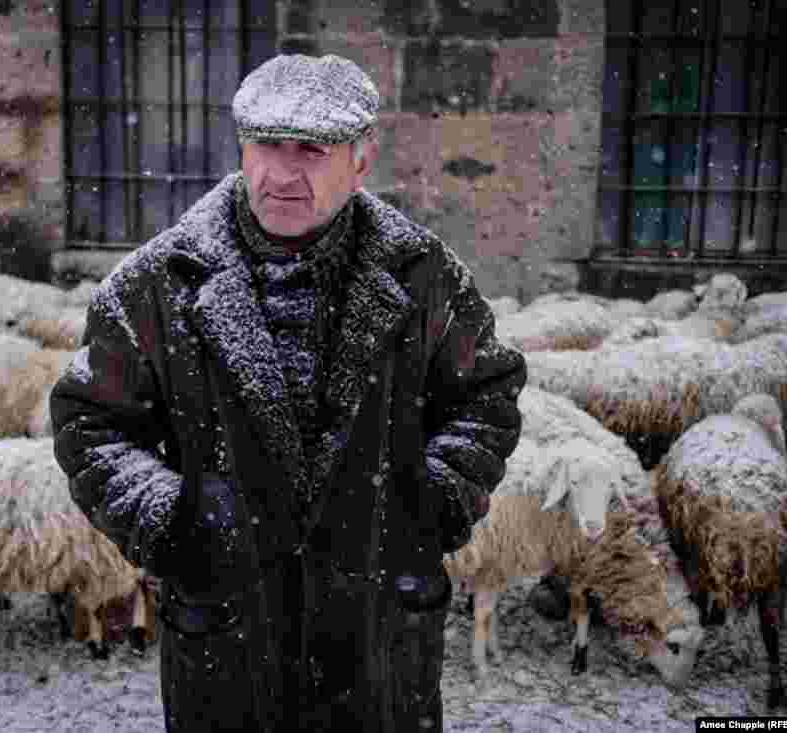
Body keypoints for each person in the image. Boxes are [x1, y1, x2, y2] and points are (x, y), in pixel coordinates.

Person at [50, 53, 526, 733]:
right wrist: (170, 516)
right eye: (265, 145)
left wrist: (435, 500)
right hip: (227, 642)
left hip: (379, 643)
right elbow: (89, 418)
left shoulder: (423, 277)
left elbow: (487, 392)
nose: (280, 172)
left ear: (362, 160)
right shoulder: (161, 282)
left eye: (310, 150)